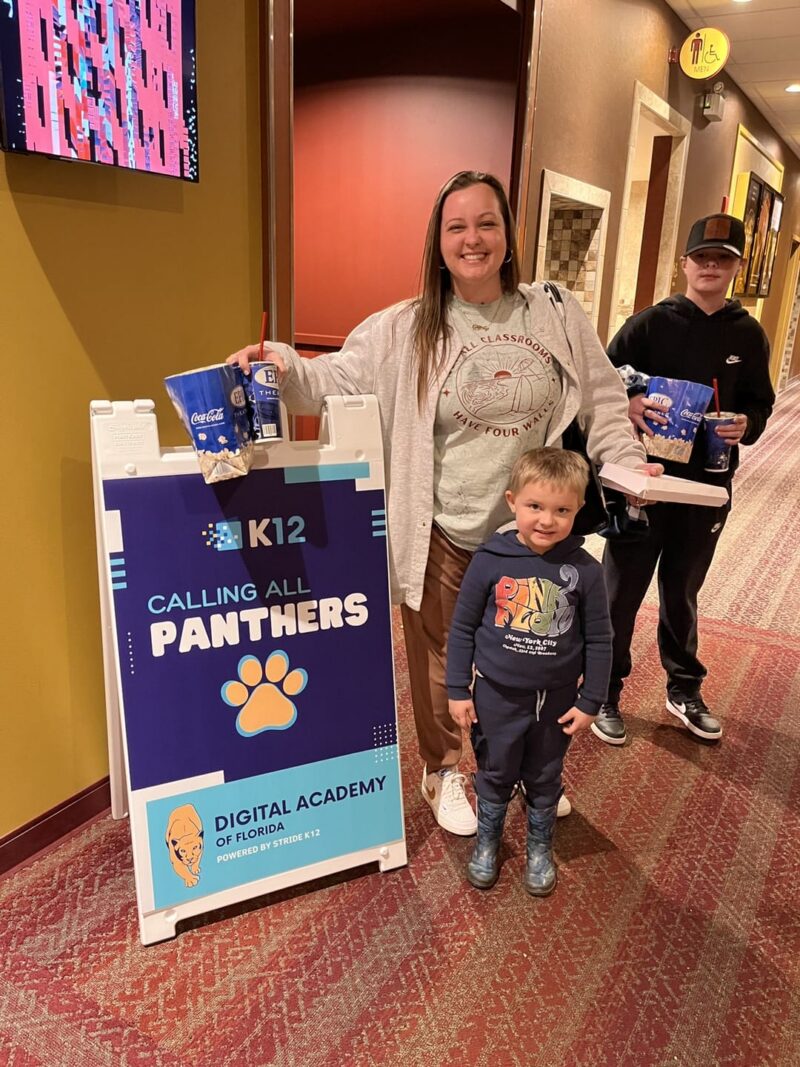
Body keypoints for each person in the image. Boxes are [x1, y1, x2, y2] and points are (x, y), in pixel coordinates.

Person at [228, 170, 650, 836]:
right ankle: (442, 770)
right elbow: (330, 380)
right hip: (444, 530)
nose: (472, 239)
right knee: (439, 661)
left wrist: (624, 459)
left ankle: (513, 769)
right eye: (457, 227)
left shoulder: (554, 312)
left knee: (531, 659)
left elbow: (601, 398)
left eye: (486, 223)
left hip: (531, 530)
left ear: (509, 236)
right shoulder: (406, 327)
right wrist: (281, 361)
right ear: (438, 241)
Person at [593, 213, 775, 747]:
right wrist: (628, 403)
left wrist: (748, 424)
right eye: (703, 257)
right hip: (640, 482)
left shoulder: (748, 334)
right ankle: (604, 689)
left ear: (736, 268)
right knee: (620, 591)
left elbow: (760, 403)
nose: (711, 267)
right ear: (686, 263)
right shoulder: (649, 324)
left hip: (708, 484)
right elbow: (602, 385)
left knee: (683, 588)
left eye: (723, 259)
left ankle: (684, 686)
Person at [446, 448, 611, 894]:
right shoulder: (489, 560)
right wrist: (458, 688)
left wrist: (591, 699)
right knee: (495, 770)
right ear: (512, 501)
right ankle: (488, 841)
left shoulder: (586, 571)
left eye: (562, 510)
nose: (546, 520)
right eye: (535, 506)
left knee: (544, 773)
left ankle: (539, 845)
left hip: (557, 699)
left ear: (579, 510)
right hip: (496, 694)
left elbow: (599, 640)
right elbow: (462, 627)